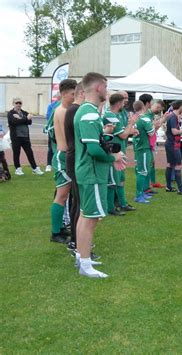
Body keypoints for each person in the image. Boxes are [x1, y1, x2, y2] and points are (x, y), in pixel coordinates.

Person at [74, 72, 125, 278]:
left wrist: (103, 134)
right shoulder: (89, 113)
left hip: (89, 171)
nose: (107, 90)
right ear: (98, 88)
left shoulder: (89, 111)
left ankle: (81, 256)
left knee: (86, 215)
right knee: (91, 217)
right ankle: (85, 265)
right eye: (106, 86)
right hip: (92, 172)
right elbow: (94, 150)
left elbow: (94, 142)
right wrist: (114, 157)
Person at [50, 79, 77, 244]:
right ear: (63, 94)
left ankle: (60, 227)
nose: (74, 97)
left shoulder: (64, 109)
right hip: (63, 156)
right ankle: (55, 232)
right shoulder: (62, 111)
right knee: (61, 195)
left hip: (65, 155)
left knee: (64, 195)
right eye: (72, 94)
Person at [64, 82, 85, 253]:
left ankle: (76, 240)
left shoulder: (74, 110)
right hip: (75, 160)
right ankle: (77, 242)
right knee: (79, 203)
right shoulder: (75, 110)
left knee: (77, 201)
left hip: (74, 159)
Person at [7, 98, 44, 176]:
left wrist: (21, 118)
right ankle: (18, 169)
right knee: (16, 153)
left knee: (29, 152)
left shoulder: (24, 112)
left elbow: (29, 122)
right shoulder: (10, 113)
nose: (18, 105)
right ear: (13, 104)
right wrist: (25, 119)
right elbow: (14, 122)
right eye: (16, 103)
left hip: (25, 136)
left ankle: (35, 168)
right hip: (16, 137)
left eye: (20, 103)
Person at [164, 101, 182, 195]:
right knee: (178, 165)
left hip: (171, 143)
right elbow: (174, 132)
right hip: (173, 144)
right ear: (180, 107)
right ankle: (180, 190)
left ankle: (168, 187)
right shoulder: (173, 117)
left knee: (170, 164)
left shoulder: (172, 116)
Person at [133, 100, 158, 203]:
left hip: (139, 146)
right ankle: (139, 195)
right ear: (143, 107)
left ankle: (141, 193)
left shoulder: (137, 118)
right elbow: (151, 133)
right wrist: (154, 125)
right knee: (142, 171)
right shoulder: (144, 118)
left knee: (142, 170)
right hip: (144, 148)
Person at [45, 93, 61, 172]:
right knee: (51, 147)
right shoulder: (51, 106)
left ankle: (58, 164)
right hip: (53, 130)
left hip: (61, 130)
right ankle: (48, 165)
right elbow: (48, 116)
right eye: (59, 97)